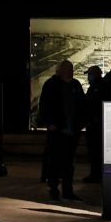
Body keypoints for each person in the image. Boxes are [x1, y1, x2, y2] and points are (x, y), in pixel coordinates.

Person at [36, 61, 84, 201]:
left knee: (69, 163)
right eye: (67, 69)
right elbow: (44, 105)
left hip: (72, 131)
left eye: (71, 69)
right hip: (57, 130)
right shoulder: (51, 85)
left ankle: (68, 191)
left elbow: (82, 106)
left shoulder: (75, 85)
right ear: (59, 71)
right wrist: (50, 123)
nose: (71, 71)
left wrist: (79, 124)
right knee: (55, 161)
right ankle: (54, 190)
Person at [82, 64, 109, 182]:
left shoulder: (96, 87)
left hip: (95, 126)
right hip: (97, 124)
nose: (88, 77)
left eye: (89, 74)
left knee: (95, 152)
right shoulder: (101, 85)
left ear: (93, 75)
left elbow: (92, 105)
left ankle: (96, 175)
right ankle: (97, 174)